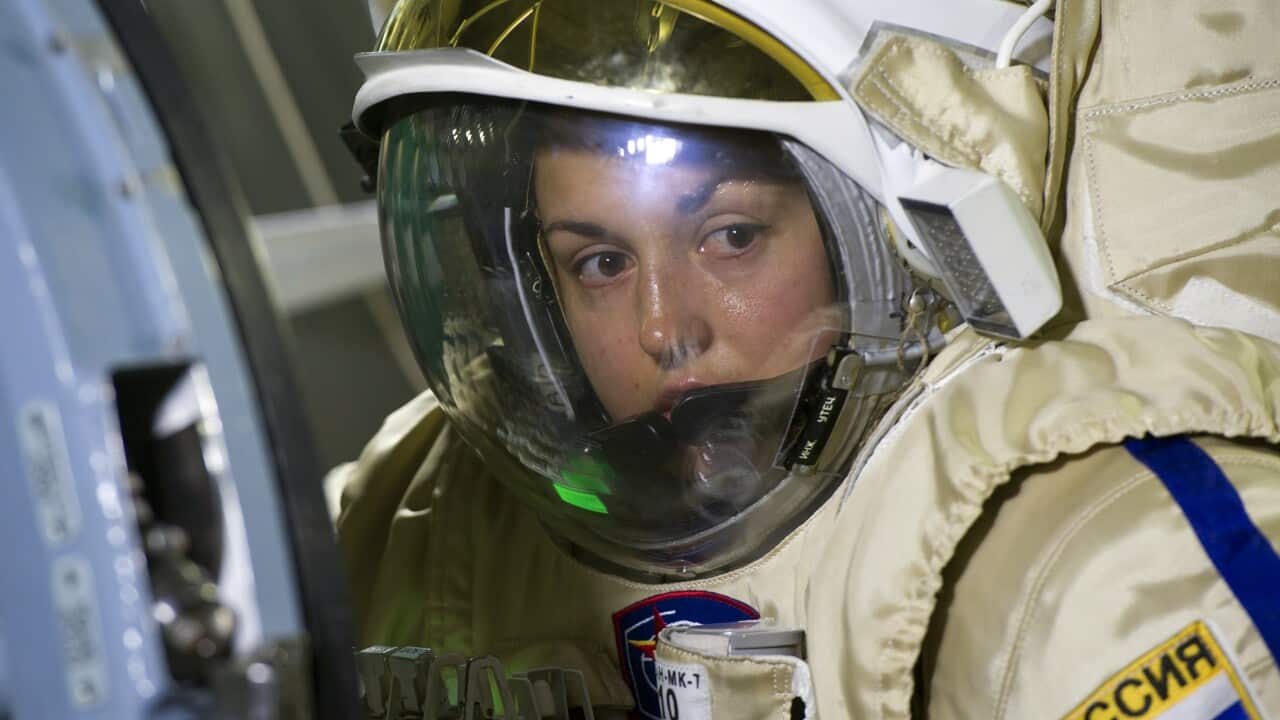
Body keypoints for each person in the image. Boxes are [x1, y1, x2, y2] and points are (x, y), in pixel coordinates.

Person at [335, 0, 1280, 717]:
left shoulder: (1101, 566)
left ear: (907, 239)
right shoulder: (419, 531)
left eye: (730, 234)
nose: (663, 328)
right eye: (602, 262)